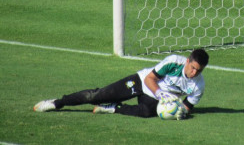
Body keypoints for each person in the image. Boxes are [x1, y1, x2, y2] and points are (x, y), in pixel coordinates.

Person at [33, 49, 209, 120]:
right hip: (142, 83)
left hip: (156, 99)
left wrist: (179, 113)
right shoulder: (173, 62)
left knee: (148, 112)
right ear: (187, 61)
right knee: (97, 95)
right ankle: (58, 103)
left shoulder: (198, 86)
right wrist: (159, 94)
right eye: (193, 68)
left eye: (198, 71)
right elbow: (150, 78)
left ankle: (113, 108)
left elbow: (187, 106)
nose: (194, 73)